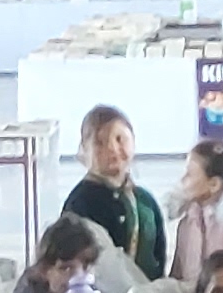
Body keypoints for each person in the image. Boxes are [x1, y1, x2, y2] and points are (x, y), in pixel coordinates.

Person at [59, 105, 165, 274]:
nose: (112, 149)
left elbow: (159, 259)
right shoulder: (79, 203)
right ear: (84, 149)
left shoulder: (145, 202)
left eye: (119, 139)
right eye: (99, 143)